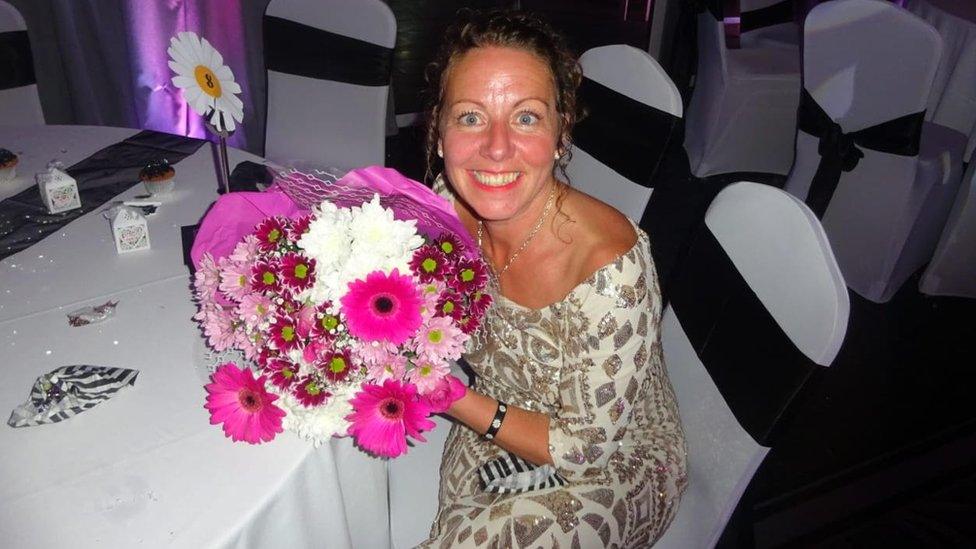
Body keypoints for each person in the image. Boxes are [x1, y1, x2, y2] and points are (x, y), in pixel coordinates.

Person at [419, 10, 687, 548]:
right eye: (471, 117)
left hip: (615, 457)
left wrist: (447, 395)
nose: (496, 148)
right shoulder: (443, 211)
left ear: (561, 133)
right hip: (501, 410)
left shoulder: (611, 271)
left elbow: (585, 448)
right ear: (439, 132)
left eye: (525, 117)